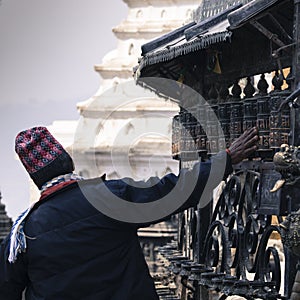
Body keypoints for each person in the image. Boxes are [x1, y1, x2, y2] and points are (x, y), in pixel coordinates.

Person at [0, 126, 258, 299]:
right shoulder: (106, 198)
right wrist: (224, 160)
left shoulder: (22, 235)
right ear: (67, 161)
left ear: (34, 177)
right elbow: (173, 191)